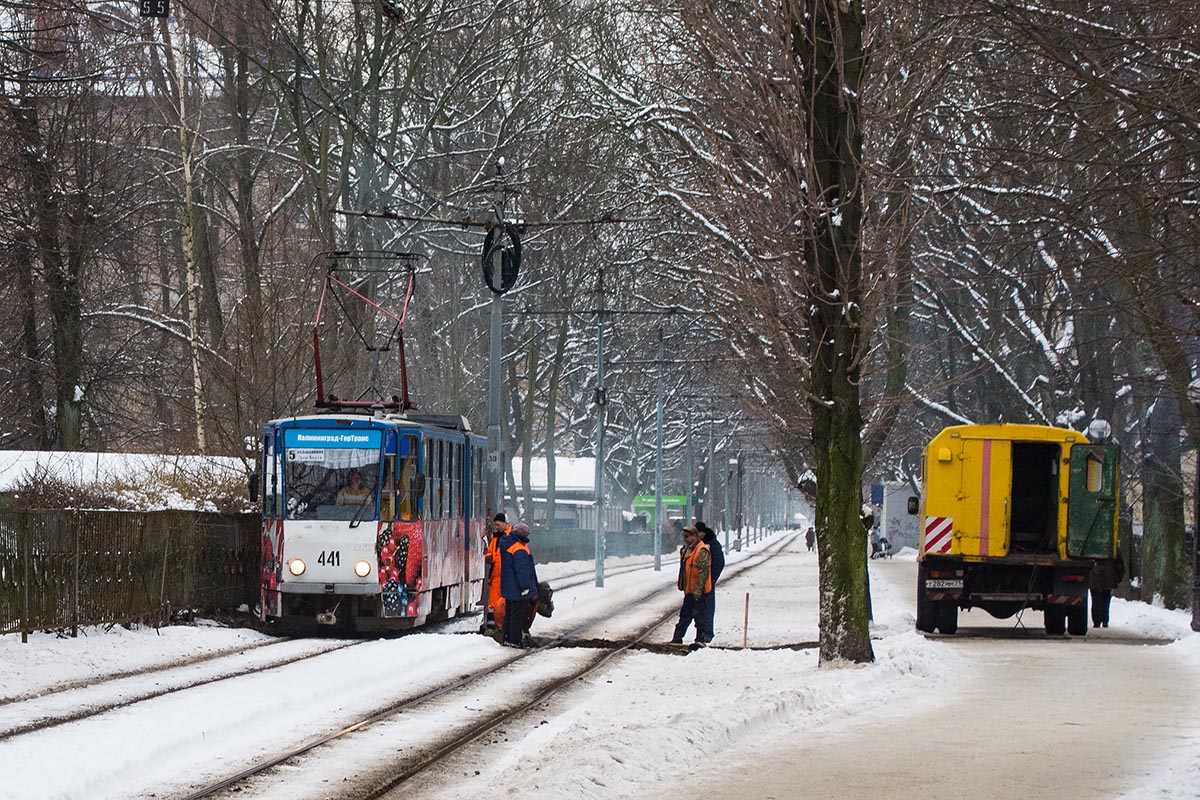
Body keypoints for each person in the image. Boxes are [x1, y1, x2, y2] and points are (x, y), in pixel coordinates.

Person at [499, 522, 539, 648]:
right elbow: (522, 570)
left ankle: (507, 638)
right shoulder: (520, 548)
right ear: (523, 535)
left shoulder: (507, 544)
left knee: (509, 614)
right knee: (517, 615)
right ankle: (515, 641)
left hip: (509, 586)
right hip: (518, 589)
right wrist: (525, 587)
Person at [670, 526, 711, 647]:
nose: (685, 539)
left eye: (687, 537)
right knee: (684, 616)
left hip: (699, 591)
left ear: (694, 536)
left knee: (700, 617)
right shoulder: (687, 550)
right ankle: (677, 639)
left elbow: (703, 572)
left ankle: (700, 639)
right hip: (689, 590)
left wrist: (698, 590)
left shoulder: (701, 550)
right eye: (684, 537)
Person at [480, 513, 511, 636]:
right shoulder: (496, 538)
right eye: (496, 525)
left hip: (505, 577)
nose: (496, 527)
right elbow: (491, 553)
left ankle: (501, 628)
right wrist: (487, 557)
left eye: (498, 525)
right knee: (493, 604)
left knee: (502, 604)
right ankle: (494, 629)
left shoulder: (510, 537)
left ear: (505, 524)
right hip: (496, 577)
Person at [695, 521, 724, 643]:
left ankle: (707, 633)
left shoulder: (712, 544)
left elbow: (719, 563)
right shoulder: (699, 544)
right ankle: (700, 633)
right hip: (697, 583)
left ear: (702, 533)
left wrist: (711, 579)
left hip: (707, 582)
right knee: (698, 610)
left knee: (707, 608)